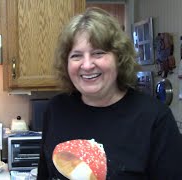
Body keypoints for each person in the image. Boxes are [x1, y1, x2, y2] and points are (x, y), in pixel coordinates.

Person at [37, 7, 182, 180]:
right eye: (76, 56)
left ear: (119, 59)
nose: (87, 65)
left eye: (98, 53)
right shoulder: (56, 109)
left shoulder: (155, 119)